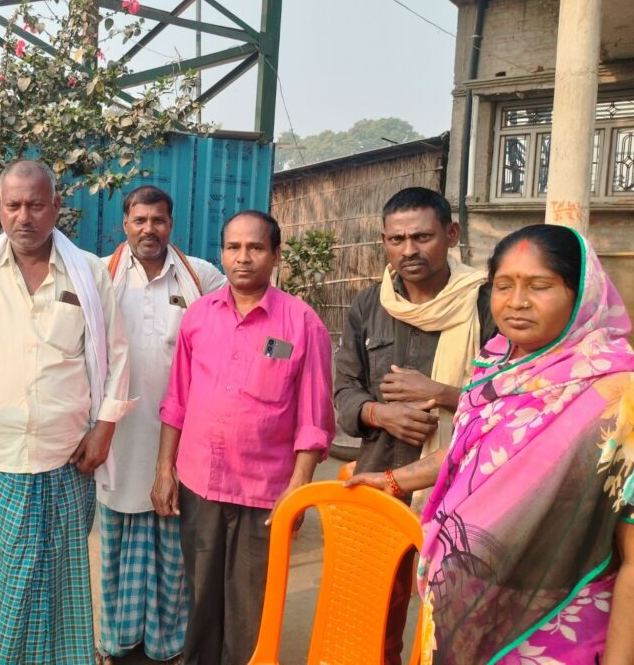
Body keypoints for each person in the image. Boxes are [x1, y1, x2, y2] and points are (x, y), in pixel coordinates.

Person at [347, 224, 634, 664]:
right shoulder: (496, 363)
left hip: (553, 625)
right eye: (504, 285)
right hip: (465, 613)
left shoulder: (616, 394)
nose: (517, 302)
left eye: (539, 286)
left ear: (581, 294)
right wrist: (393, 479)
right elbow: (474, 450)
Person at [0, 160, 133, 664]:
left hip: (65, 460)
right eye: (13, 205)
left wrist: (104, 430)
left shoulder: (88, 274)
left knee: (57, 581)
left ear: (56, 206)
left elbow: (117, 355)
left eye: (36, 205)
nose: (24, 217)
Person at [152, 209, 334, 665]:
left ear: (276, 254)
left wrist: (298, 489)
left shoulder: (302, 323)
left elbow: (314, 418)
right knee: (201, 598)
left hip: (264, 493)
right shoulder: (198, 317)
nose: (243, 258)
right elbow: (176, 400)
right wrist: (164, 470)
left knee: (251, 607)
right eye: (233, 247)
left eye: (255, 247)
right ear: (222, 253)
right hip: (201, 484)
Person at [334, 187, 495, 665]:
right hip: (382, 481)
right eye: (396, 239)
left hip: (463, 488)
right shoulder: (369, 305)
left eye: (422, 237)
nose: (409, 250)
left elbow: (514, 402)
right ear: (384, 241)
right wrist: (378, 413)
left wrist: (442, 394)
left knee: (452, 617)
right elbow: (344, 392)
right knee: (374, 615)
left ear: (451, 234)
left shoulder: (486, 303)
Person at [98, 185, 225, 664]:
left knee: (174, 544)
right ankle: (117, 640)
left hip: (183, 434)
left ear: (171, 224)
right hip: (121, 436)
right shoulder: (101, 275)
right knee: (117, 544)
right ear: (125, 224)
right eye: (140, 220)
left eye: (158, 220)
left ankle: (168, 642)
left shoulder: (201, 276)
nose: (149, 229)